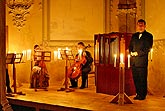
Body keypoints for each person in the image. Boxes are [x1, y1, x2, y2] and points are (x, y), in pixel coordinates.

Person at [128, 19, 153, 100]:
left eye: (142, 25)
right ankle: (138, 94)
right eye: (139, 25)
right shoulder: (134, 35)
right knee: (136, 79)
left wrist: (138, 53)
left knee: (142, 79)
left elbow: (147, 48)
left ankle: (142, 95)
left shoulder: (149, 36)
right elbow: (130, 46)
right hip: (134, 61)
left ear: (145, 26)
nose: (140, 27)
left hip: (142, 61)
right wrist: (131, 52)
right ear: (137, 26)